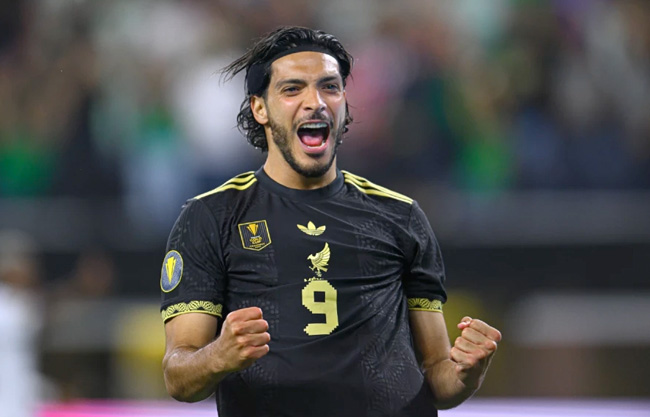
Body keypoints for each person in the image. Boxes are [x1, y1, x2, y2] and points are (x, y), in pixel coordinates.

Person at [160, 26, 502, 417]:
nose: (316, 102)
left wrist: (466, 372)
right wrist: (218, 356)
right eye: (292, 89)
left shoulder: (400, 216)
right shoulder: (211, 217)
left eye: (330, 87)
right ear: (259, 108)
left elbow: (440, 380)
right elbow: (179, 378)